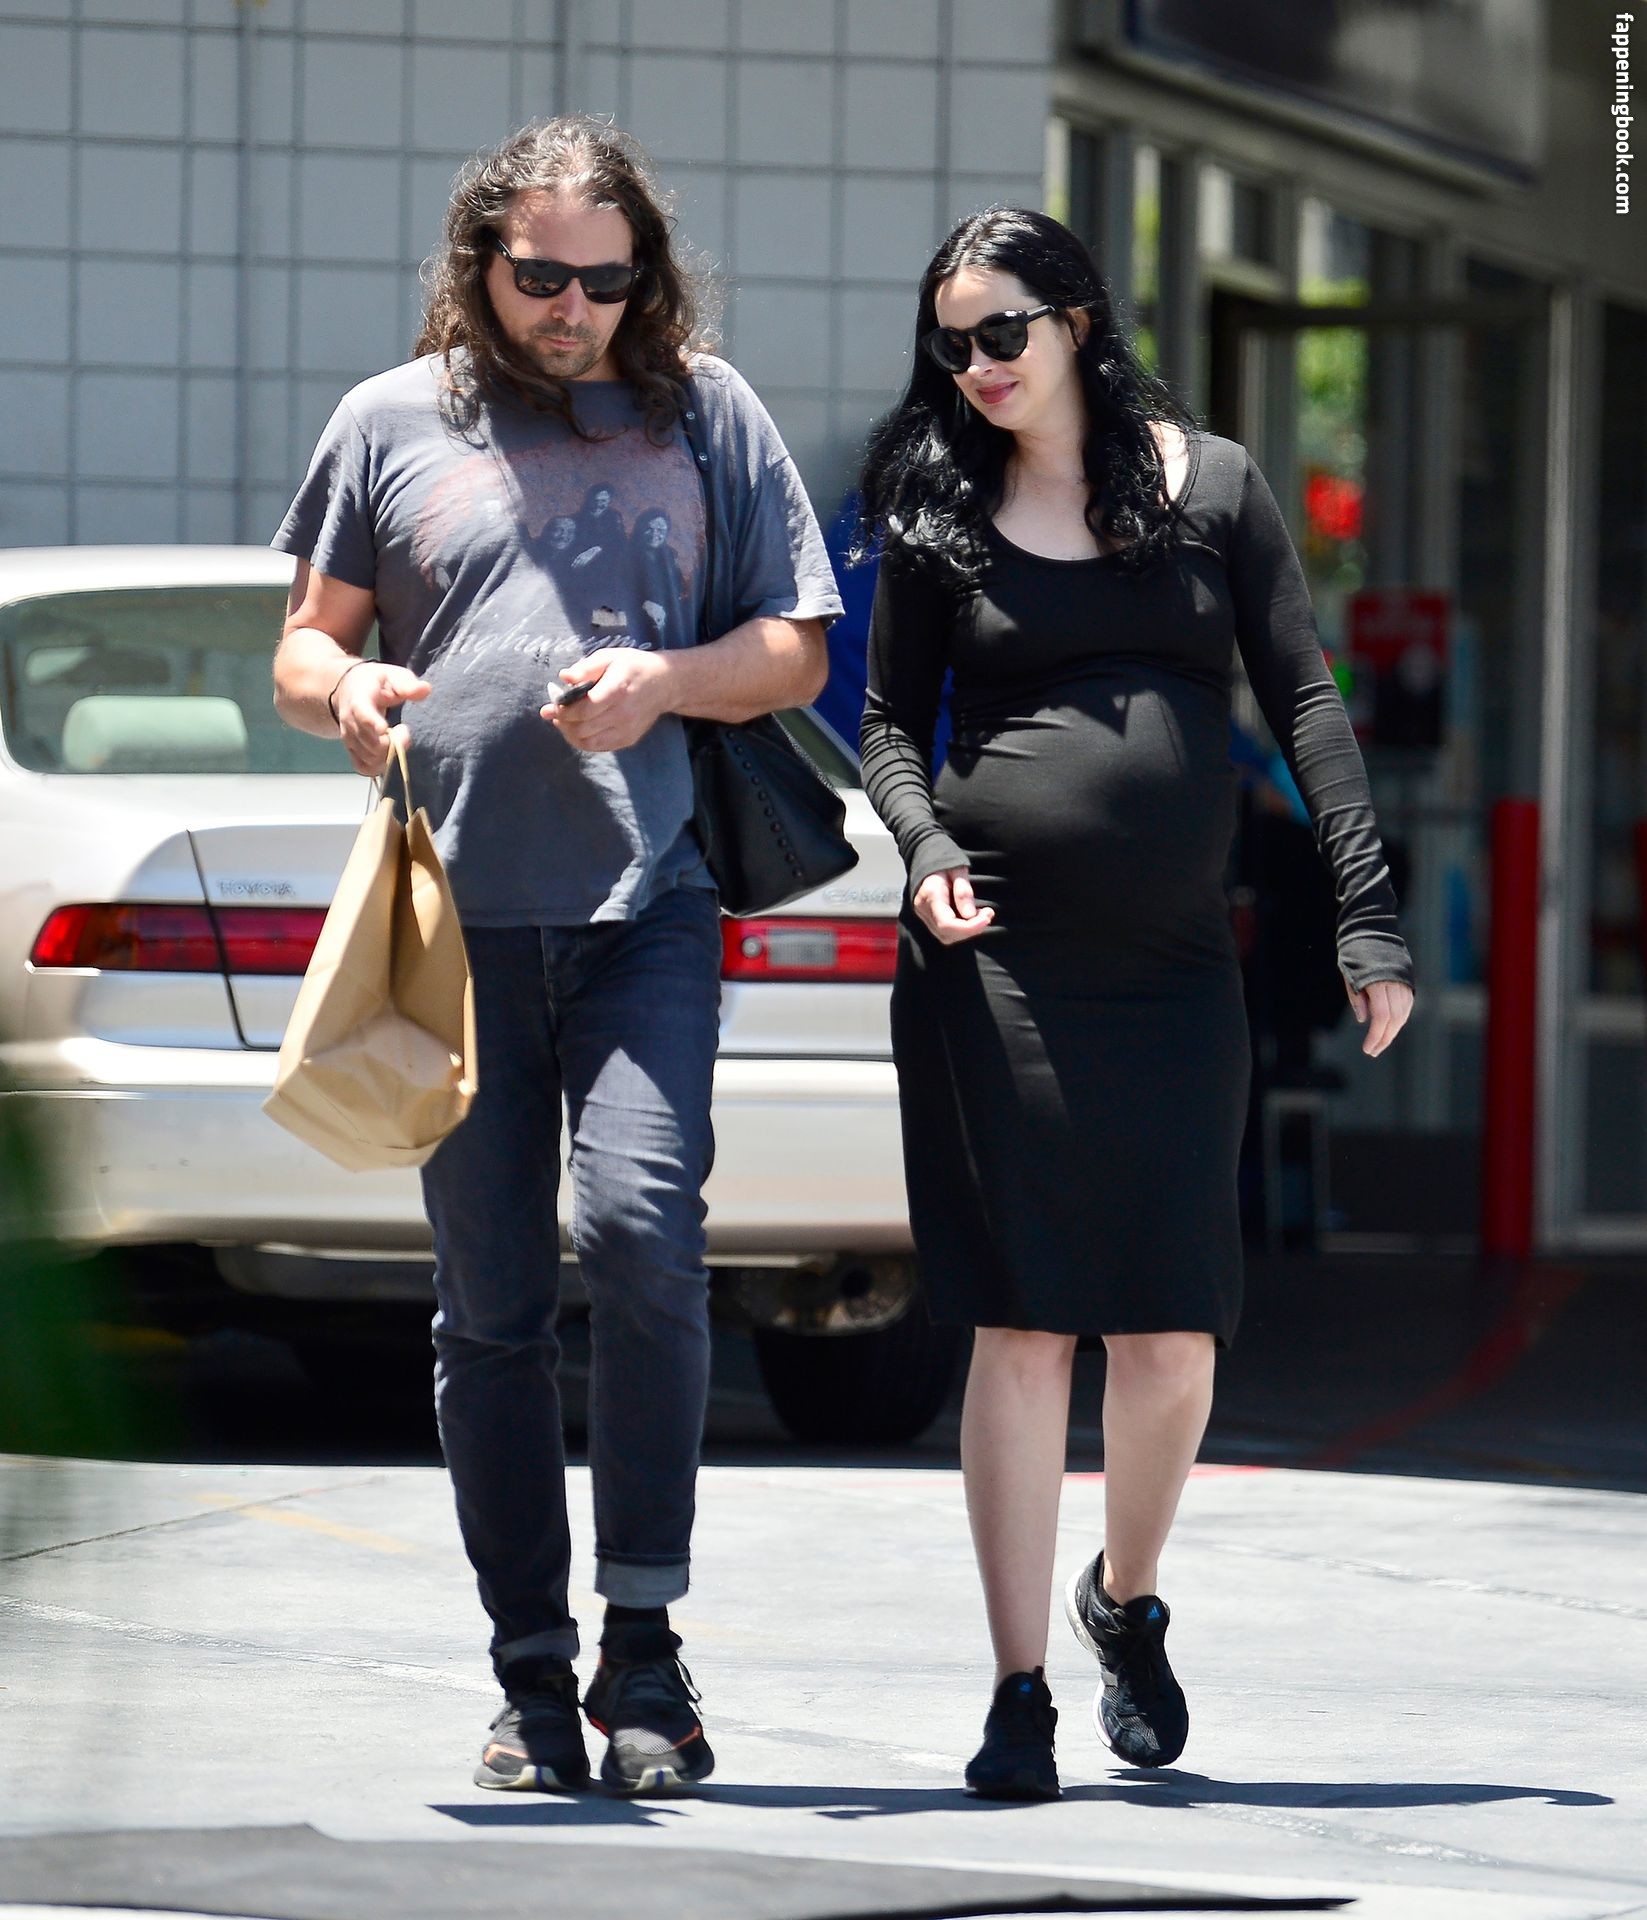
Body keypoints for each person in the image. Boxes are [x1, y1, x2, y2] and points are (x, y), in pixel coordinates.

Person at [271, 116, 840, 1795]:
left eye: (608, 279)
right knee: (493, 1310)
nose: (575, 308)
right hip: (448, 925)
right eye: (541, 277)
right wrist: (351, 690)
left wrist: (668, 682)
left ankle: (643, 1650)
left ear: (644, 278)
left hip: (647, 907)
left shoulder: (706, 414)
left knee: (648, 1237)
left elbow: (797, 651)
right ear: (482, 264)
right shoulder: (390, 420)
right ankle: (529, 1674)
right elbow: (302, 646)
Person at [856, 207, 1414, 1800]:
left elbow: (1304, 700)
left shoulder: (1215, 485)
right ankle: (1018, 1689)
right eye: (951, 344)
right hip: (996, 960)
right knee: (1026, 1323)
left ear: (1078, 324)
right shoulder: (938, 507)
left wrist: (1367, 916)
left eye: (1002, 334)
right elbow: (889, 722)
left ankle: (1125, 1598)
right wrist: (923, 847)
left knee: (1172, 1335)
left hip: (1172, 971)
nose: (976, 366)